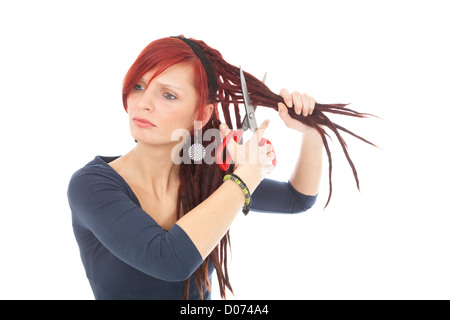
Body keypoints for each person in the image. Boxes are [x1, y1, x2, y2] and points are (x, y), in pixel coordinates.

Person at [67, 35, 324, 300]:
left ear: (201, 114)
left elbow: (297, 199)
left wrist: (312, 133)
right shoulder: (91, 187)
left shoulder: (208, 177)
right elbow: (170, 260)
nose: (143, 103)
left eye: (168, 95)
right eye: (139, 86)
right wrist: (247, 174)